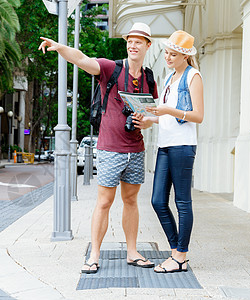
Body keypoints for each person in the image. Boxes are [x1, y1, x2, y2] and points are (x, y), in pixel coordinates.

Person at [39, 22, 159, 274]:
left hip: (136, 149)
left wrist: (146, 122)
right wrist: (60, 47)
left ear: (148, 45)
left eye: (139, 41)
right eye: (130, 40)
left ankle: (132, 252)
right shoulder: (110, 68)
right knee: (104, 202)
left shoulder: (148, 77)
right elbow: (82, 59)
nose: (133, 44)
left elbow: (150, 116)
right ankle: (94, 255)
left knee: (131, 200)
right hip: (110, 148)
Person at [133, 30, 204, 273]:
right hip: (165, 144)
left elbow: (198, 116)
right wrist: (148, 119)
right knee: (157, 201)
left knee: (182, 201)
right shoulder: (168, 78)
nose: (168, 57)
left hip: (183, 146)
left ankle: (180, 256)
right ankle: (177, 251)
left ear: (185, 56)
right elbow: (164, 115)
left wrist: (167, 110)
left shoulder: (193, 76)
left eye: (173, 54)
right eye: (166, 53)